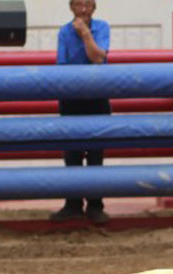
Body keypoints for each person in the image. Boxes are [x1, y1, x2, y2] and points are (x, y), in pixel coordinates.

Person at [50, 0, 111, 225]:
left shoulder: (102, 27)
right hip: (72, 98)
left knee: (96, 154)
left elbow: (98, 58)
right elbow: (63, 68)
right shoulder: (64, 32)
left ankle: (96, 206)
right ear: (71, 7)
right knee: (72, 153)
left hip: (97, 96)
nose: (83, 10)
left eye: (87, 5)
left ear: (94, 7)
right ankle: (73, 204)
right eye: (78, 5)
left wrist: (86, 35)